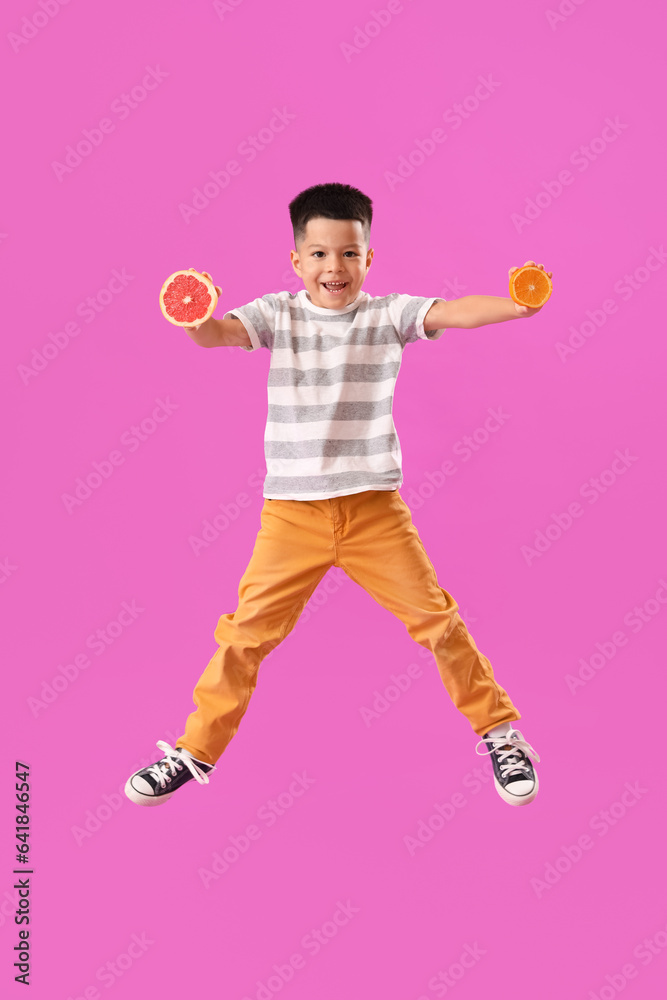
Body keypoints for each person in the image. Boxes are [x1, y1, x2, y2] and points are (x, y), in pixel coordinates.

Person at [125, 182, 548, 810]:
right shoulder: (277, 314)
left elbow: (453, 311)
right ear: (297, 261)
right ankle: (193, 751)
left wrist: (516, 308)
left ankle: (501, 734)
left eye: (349, 254)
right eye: (319, 255)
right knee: (244, 638)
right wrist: (193, 317)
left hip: (374, 510)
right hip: (291, 515)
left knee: (438, 623)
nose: (335, 267)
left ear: (369, 259)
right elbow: (215, 336)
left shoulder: (387, 315)